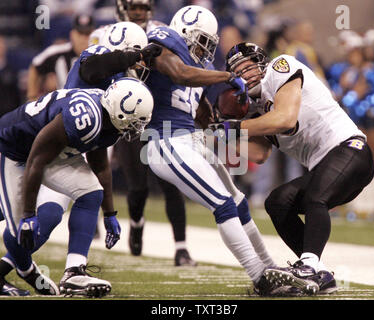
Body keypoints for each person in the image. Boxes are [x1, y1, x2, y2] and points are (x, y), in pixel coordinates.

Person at [143, 5, 300, 297]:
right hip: (165, 141)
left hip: (189, 139)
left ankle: (270, 267)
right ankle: (259, 277)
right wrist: (226, 77)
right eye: (202, 40)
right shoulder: (164, 44)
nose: (205, 48)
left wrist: (222, 119)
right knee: (222, 203)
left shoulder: (196, 66)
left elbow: (201, 112)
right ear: (185, 32)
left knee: (238, 203)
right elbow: (181, 75)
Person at [0, 21, 158, 296]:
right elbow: (37, 154)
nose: (141, 65)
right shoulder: (96, 67)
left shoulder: (112, 106)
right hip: (20, 148)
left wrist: (109, 212)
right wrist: (26, 215)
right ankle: (24, 268)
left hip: (62, 147)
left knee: (83, 196)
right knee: (24, 225)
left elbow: (100, 164)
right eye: (137, 55)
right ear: (126, 50)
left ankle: (74, 272)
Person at [214, 42, 374, 294]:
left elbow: (285, 118)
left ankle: (308, 266)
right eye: (239, 71)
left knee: (315, 197)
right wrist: (217, 133)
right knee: (278, 202)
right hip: (326, 167)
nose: (246, 73)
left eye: (249, 65)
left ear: (262, 62)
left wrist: (234, 128)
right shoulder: (254, 108)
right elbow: (259, 154)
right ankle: (319, 274)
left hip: (350, 150)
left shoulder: (282, 67)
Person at [114, 0, 196, 266]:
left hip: (160, 115)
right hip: (128, 116)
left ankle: (181, 248)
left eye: (143, 7)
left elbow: (180, 67)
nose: (138, 12)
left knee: (172, 183)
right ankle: (137, 222)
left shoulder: (162, 32)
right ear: (123, 8)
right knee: (138, 188)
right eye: (134, 7)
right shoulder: (111, 33)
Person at [27, 14, 95, 101]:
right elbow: (35, 66)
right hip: (64, 105)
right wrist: (32, 97)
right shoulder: (57, 52)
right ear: (72, 34)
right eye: (80, 33)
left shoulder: (101, 53)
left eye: (87, 34)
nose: (83, 38)